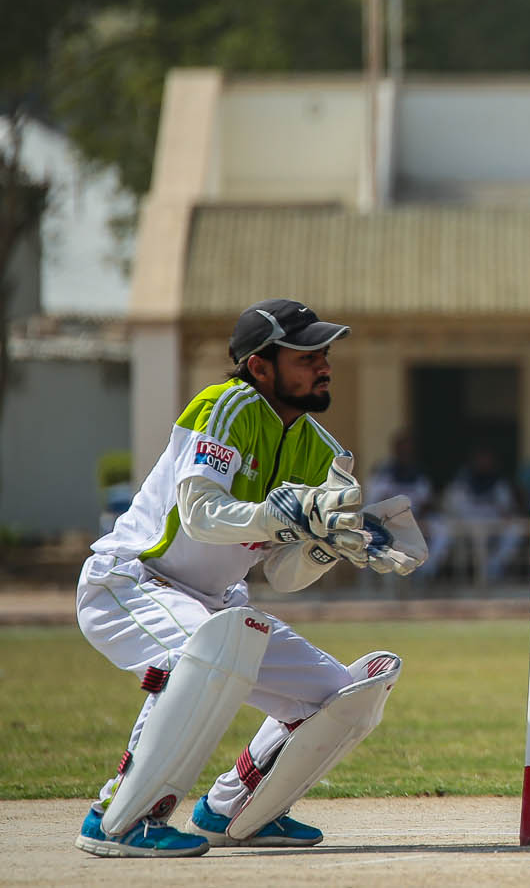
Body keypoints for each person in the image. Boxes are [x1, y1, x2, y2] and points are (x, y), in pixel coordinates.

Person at [73, 298, 426, 859]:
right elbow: (200, 514)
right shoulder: (226, 406)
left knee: (336, 699)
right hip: (132, 582)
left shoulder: (323, 452)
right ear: (259, 366)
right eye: (306, 356)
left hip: (219, 607)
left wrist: (327, 546)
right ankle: (117, 817)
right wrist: (286, 513)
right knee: (198, 657)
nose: (324, 365)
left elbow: (283, 575)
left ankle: (235, 809)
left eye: (324, 355)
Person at [436, 444, 522, 583]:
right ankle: (429, 575)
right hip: (465, 529)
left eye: (487, 460)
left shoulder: (499, 483)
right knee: (442, 528)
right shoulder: (461, 481)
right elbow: (451, 509)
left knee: (516, 529)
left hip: (492, 528)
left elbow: (507, 509)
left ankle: (493, 569)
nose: (483, 463)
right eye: (480, 459)